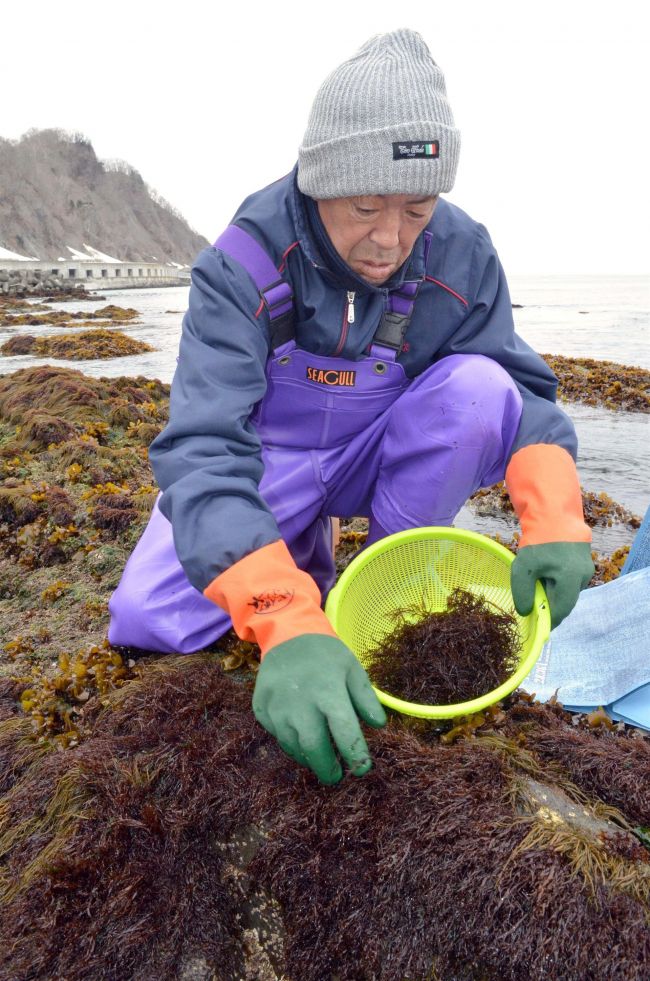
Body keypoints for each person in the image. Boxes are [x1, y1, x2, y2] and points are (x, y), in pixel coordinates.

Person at [109, 29, 594, 784]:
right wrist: (282, 615)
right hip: (270, 460)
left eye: (418, 208)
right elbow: (203, 448)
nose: (391, 239)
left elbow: (519, 390)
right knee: (148, 622)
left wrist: (557, 515)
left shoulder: (463, 254)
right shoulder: (243, 262)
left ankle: (387, 573)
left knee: (475, 388)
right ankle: (300, 551)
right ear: (317, 180)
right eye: (367, 205)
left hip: (381, 458)